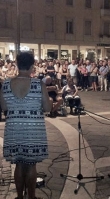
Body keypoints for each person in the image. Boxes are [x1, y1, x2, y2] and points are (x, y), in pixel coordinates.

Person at [0, 52, 52, 199]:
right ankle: (32, 197)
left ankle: (19, 197)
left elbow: (4, 106)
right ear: (32, 66)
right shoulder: (38, 84)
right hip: (33, 129)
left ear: (16, 64)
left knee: (19, 164)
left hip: (14, 129)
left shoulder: (6, 84)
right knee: (31, 164)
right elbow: (47, 108)